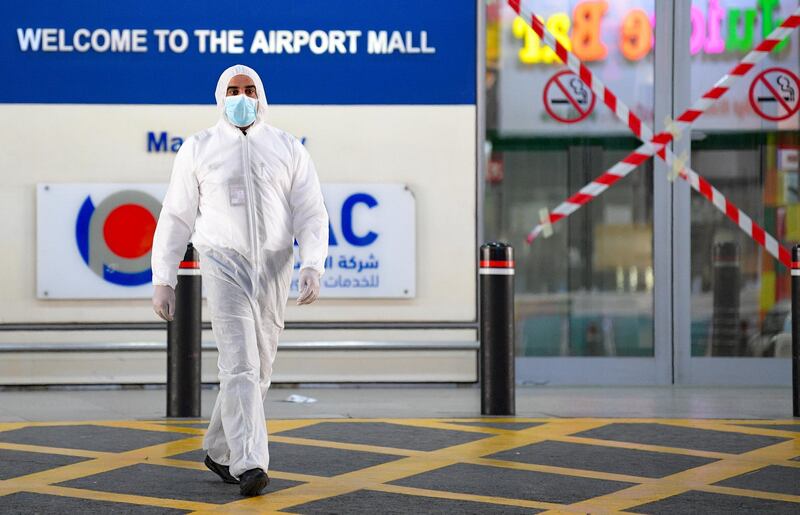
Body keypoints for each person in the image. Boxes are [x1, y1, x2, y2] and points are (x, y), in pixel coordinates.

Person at [150, 64, 329, 496]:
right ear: (220, 95)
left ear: (261, 95)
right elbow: (176, 215)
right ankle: (251, 463)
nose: (242, 97)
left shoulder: (287, 147)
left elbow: (311, 210)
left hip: (273, 263)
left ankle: (218, 448)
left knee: (260, 366)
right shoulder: (199, 147)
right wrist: (163, 277)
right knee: (240, 363)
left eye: (249, 89)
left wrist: (312, 263)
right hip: (221, 260)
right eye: (233, 90)